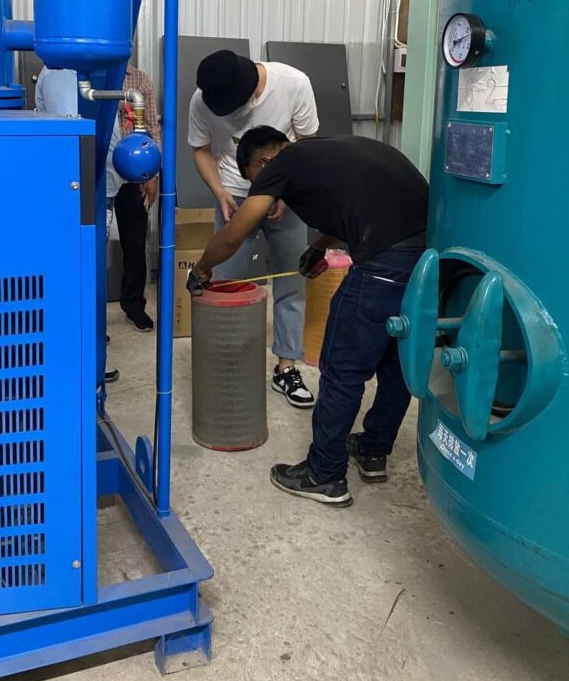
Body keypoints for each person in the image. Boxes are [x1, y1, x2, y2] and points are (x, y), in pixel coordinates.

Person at [188, 127, 428, 507]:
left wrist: (202, 268)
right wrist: (319, 247)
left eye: (258, 182)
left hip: (382, 262)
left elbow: (234, 234)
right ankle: (373, 450)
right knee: (395, 359)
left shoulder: (282, 165)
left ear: (264, 162)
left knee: (342, 370)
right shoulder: (326, 149)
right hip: (429, 258)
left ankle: (325, 474)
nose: (267, 194)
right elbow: (350, 202)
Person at [188, 50, 319, 408]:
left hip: (285, 195)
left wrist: (286, 192)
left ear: (250, 89)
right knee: (230, 285)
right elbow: (199, 148)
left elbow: (307, 143)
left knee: (291, 280)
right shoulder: (204, 99)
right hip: (234, 194)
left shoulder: (293, 83)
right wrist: (219, 192)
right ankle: (230, 367)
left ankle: (286, 368)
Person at [35, 66, 123, 382]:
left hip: (102, 187)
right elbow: (73, 134)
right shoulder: (62, 72)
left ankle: (90, 350)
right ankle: (84, 360)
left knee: (92, 273)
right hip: (81, 192)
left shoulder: (102, 72)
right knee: (80, 275)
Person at [114, 66, 160, 332]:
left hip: (133, 175)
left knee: (134, 244)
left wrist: (151, 172)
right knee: (89, 243)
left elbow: (151, 127)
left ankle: (134, 305)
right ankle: (91, 312)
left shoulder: (140, 80)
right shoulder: (85, 74)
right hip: (96, 173)